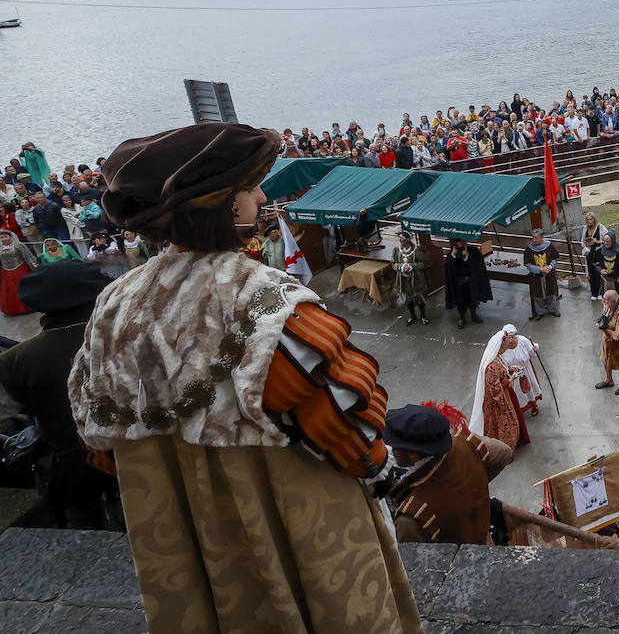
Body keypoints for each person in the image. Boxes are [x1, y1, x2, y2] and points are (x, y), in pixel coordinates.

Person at [67, 123, 420, 633]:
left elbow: (100, 439)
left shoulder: (113, 304)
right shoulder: (264, 302)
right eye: (251, 186)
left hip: (179, 527)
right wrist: (377, 465)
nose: (260, 195)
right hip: (285, 516)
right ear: (224, 204)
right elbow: (339, 422)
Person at [0, 262, 119, 528]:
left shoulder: (17, 359)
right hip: (138, 453)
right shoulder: (124, 335)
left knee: (86, 525)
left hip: (72, 464)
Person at [384, 404, 495, 545]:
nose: (391, 450)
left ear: (412, 454)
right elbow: (504, 452)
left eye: (395, 446)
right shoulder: (466, 444)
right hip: (485, 541)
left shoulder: (411, 517)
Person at [471, 326, 530, 450]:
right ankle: (504, 450)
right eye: (505, 347)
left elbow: (502, 369)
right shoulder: (491, 366)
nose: (506, 349)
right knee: (504, 424)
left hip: (506, 394)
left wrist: (510, 369)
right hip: (497, 402)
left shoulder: (496, 357)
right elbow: (495, 389)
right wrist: (511, 379)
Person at [442, 238, 492, 326]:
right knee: (461, 302)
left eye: (463, 241)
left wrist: (467, 256)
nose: (461, 243)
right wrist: (453, 255)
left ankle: (473, 315)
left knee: (474, 300)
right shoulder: (453, 252)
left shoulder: (473, 251)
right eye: (458, 241)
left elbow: (478, 265)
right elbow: (448, 267)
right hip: (459, 283)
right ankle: (462, 318)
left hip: (471, 282)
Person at [499, 326, 543, 417]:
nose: (511, 340)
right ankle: (518, 410)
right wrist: (509, 368)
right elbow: (501, 361)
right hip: (512, 374)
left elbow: (532, 351)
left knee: (530, 389)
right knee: (516, 393)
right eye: (509, 338)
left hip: (526, 371)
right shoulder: (502, 346)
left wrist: (535, 349)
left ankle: (534, 405)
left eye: (513, 337)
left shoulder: (522, 340)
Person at [596, 289, 619, 394]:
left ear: (614, 301)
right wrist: (600, 323)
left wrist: (603, 328)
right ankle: (609, 380)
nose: (604, 301)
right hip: (607, 341)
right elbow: (603, 317)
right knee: (605, 360)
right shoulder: (607, 306)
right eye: (603, 299)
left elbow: (618, 334)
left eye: (606, 300)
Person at [391, 230, 430, 325]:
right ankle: (413, 316)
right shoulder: (396, 250)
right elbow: (393, 264)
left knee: (419, 299)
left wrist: (412, 266)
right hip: (403, 279)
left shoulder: (418, 249)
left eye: (402, 240)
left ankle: (423, 316)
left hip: (416, 279)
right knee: (408, 299)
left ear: (407, 240)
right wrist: (401, 267)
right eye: (400, 240)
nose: (400, 241)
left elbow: (423, 263)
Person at [524, 228, 561, 319]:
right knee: (537, 295)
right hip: (536, 277)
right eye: (533, 237)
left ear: (542, 237)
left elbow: (555, 258)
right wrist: (539, 269)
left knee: (551, 293)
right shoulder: (529, 249)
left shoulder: (549, 246)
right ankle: (540, 312)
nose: (534, 240)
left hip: (549, 275)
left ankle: (552, 310)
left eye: (536, 238)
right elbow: (527, 264)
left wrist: (550, 267)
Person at [1, 230, 37, 316]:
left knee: (23, 287)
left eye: (5, 236)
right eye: (1, 238)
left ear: (11, 237)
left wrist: (35, 268)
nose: (3, 239)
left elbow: (28, 257)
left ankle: (31, 305)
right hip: (6, 272)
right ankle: (14, 309)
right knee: (10, 291)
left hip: (20, 269)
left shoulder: (18, 246)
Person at [590, 230, 619, 303]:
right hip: (605, 282)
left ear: (613, 240)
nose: (605, 243)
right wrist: (600, 270)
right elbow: (595, 264)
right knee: (607, 303)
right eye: (604, 241)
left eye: (608, 241)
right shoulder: (599, 251)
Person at [581, 213, 609, 296]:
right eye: (587, 219)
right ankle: (593, 293)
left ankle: (600, 293)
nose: (589, 221)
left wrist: (597, 242)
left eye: (591, 219)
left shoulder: (601, 227)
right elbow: (582, 239)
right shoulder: (585, 228)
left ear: (594, 219)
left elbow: (607, 240)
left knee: (599, 272)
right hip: (589, 254)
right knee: (590, 273)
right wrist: (585, 242)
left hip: (599, 254)